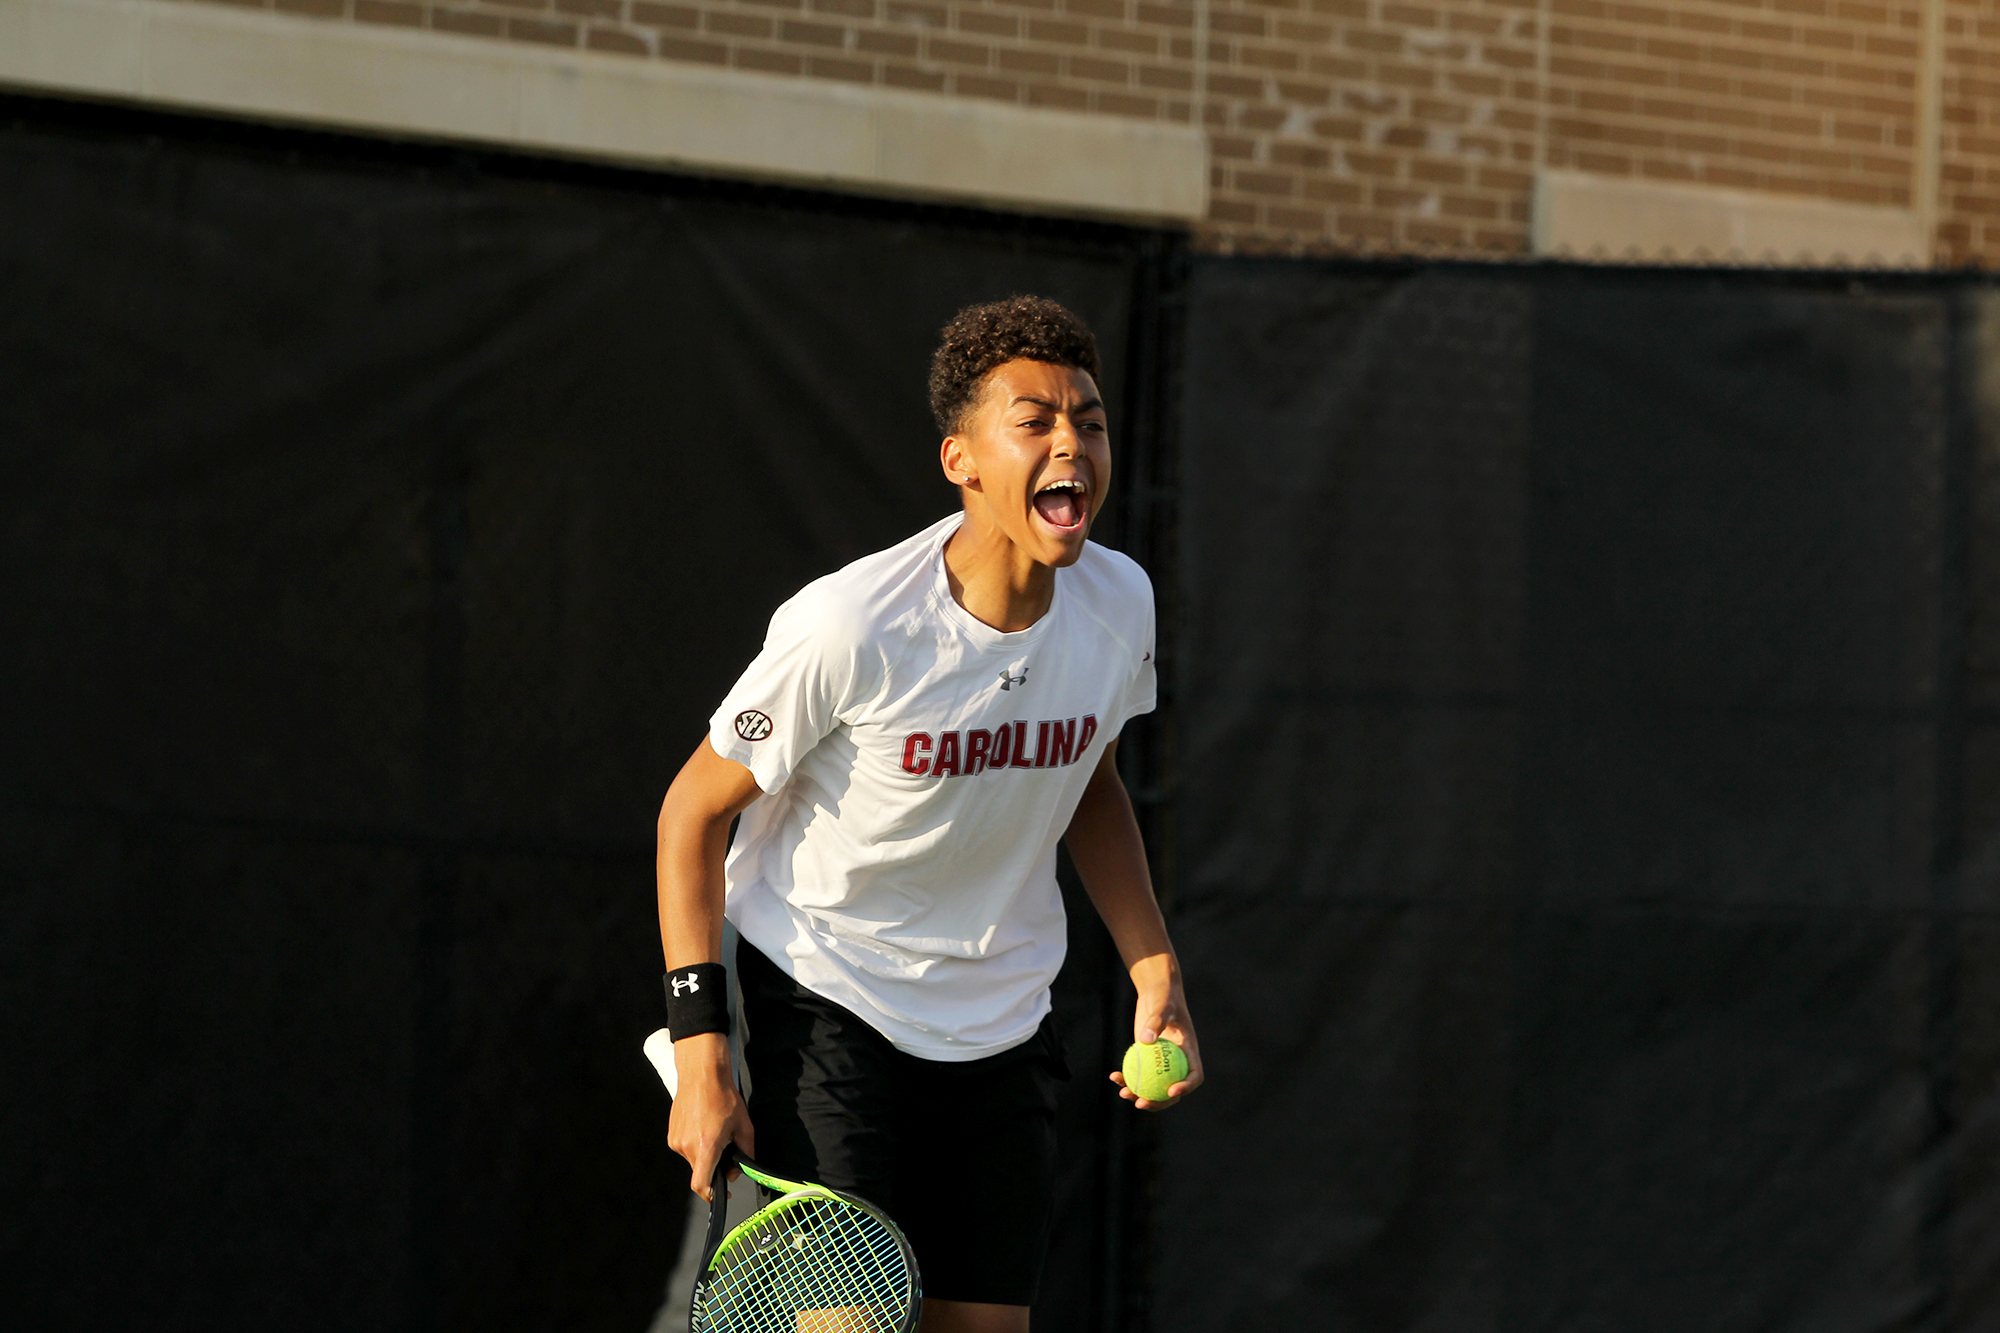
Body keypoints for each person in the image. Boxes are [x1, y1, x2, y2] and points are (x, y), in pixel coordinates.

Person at [654, 295, 1203, 1333]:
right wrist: (699, 1056)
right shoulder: (853, 625)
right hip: (826, 1004)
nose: (1070, 442)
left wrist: (1152, 964)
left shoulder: (1118, 603)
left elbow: (1087, 776)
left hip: (1000, 1026)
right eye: (1032, 419)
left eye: (1087, 420)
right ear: (961, 460)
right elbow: (690, 813)